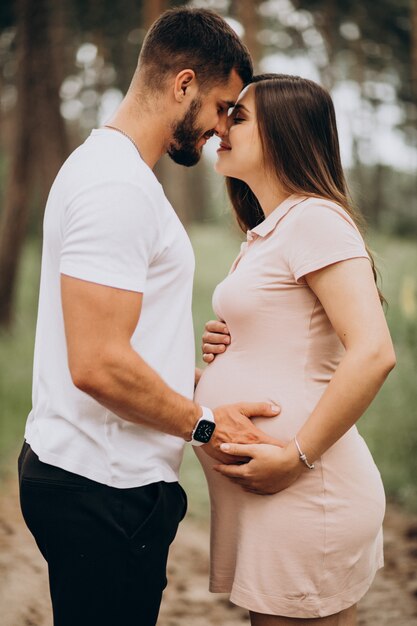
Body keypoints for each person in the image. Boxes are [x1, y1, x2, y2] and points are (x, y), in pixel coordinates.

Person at [17, 11, 283, 626]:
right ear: (182, 83)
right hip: (103, 488)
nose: (222, 128)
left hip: (94, 475)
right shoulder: (117, 187)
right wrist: (206, 428)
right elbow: (98, 364)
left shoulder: (111, 170)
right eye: (222, 106)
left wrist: (196, 382)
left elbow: (115, 343)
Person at [195, 74, 396, 626]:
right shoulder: (271, 231)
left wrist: (296, 457)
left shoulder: (314, 219)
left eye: (238, 118)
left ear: (284, 134)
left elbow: (374, 352)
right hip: (276, 495)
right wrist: (229, 354)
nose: (220, 127)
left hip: (309, 489)